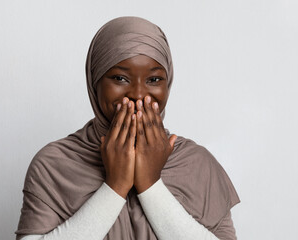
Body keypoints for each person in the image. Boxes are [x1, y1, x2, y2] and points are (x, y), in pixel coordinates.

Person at [15, 16, 240, 240]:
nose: (138, 95)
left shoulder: (196, 164)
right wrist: (115, 186)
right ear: (95, 82)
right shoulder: (54, 165)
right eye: (120, 78)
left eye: (153, 80)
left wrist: (151, 186)